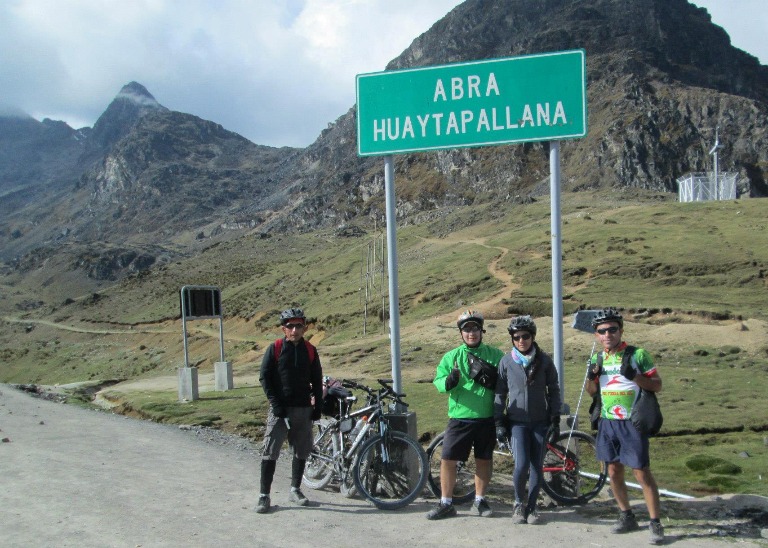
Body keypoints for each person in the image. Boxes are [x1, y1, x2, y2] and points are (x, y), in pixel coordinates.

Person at [585, 307, 664, 545]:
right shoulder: (598, 358)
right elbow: (592, 393)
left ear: (621, 329)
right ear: (596, 335)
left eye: (612, 329)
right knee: (613, 471)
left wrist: (635, 377)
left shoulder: (638, 354)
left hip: (632, 422)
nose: (607, 334)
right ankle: (626, 515)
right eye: (602, 331)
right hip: (608, 422)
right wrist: (591, 377)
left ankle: (655, 522)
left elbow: (657, 385)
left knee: (641, 472)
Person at [426, 310, 505, 520]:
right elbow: (438, 381)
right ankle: (446, 502)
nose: (472, 333)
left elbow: (506, 381)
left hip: (487, 417)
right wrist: (448, 382)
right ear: (461, 333)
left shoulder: (496, 355)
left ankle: (479, 500)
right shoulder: (451, 357)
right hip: (460, 417)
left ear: (482, 330)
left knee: (484, 460)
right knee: (448, 459)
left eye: (475, 328)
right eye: (467, 329)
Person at [494, 315, 561, 525]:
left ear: (532, 337)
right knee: (521, 465)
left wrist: (555, 416)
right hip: (517, 423)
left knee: (536, 466)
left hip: (541, 421)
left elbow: (554, 390)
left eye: (525, 336)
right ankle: (518, 504)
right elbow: (499, 394)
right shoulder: (506, 362)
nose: (521, 340)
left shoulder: (545, 361)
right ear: (512, 339)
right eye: (516, 337)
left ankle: (532, 508)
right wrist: (498, 422)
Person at [255, 307, 323, 514]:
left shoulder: (310, 350)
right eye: (290, 326)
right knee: (270, 451)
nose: (294, 330)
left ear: (305, 327)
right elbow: (264, 377)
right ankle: (264, 496)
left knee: (301, 451)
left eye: (298, 326)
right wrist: (275, 404)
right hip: (280, 410)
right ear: (283, 329)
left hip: (303, 409)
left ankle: (295, 490)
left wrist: (317, 407)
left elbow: (317, 380)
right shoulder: (274, 348)